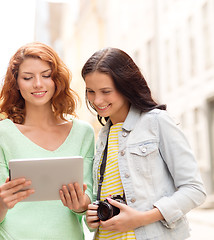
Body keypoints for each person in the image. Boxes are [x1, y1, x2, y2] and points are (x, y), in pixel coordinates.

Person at [82, 47, 206, 240]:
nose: (97, 100)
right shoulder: (102, 138)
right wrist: (92, 217)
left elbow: (194, 190)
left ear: (126, 87)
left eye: (106, 91)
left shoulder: (157, 122)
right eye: (90, 91)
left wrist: (141, 218)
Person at [0, 42, 95, 239]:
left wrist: (80, 205)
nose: (38, 84)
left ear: (57, 80)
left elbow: (89, 205)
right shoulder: (0, 134)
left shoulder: (83, 133)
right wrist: (2, 201)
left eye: (46, 75)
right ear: (16, 83)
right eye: (28, 77)